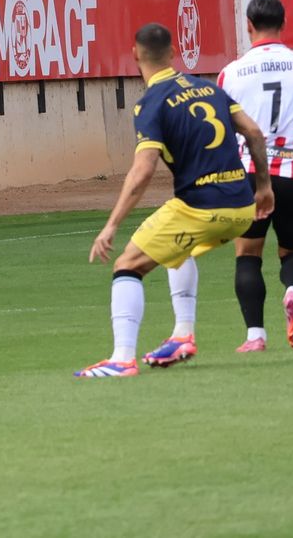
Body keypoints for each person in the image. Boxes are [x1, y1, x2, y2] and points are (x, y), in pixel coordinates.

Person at [75, 24, 274, 378]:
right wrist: (264, 187)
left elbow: (143, 171)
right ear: (172, 53)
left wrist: (111, 226)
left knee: (127, 265)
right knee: (174, 249)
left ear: (135, 54)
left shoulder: (150, 103)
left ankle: (122, 359)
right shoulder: (208, 87)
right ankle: (182, 335)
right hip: (243, 207)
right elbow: (255, 132)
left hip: (200, 207)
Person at [214, 0, 293, 356]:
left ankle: (255, 335)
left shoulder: (231, 72)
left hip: (251, 175)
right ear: (284, 25)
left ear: (249, 26)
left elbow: (221, 134)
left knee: (247, 255)